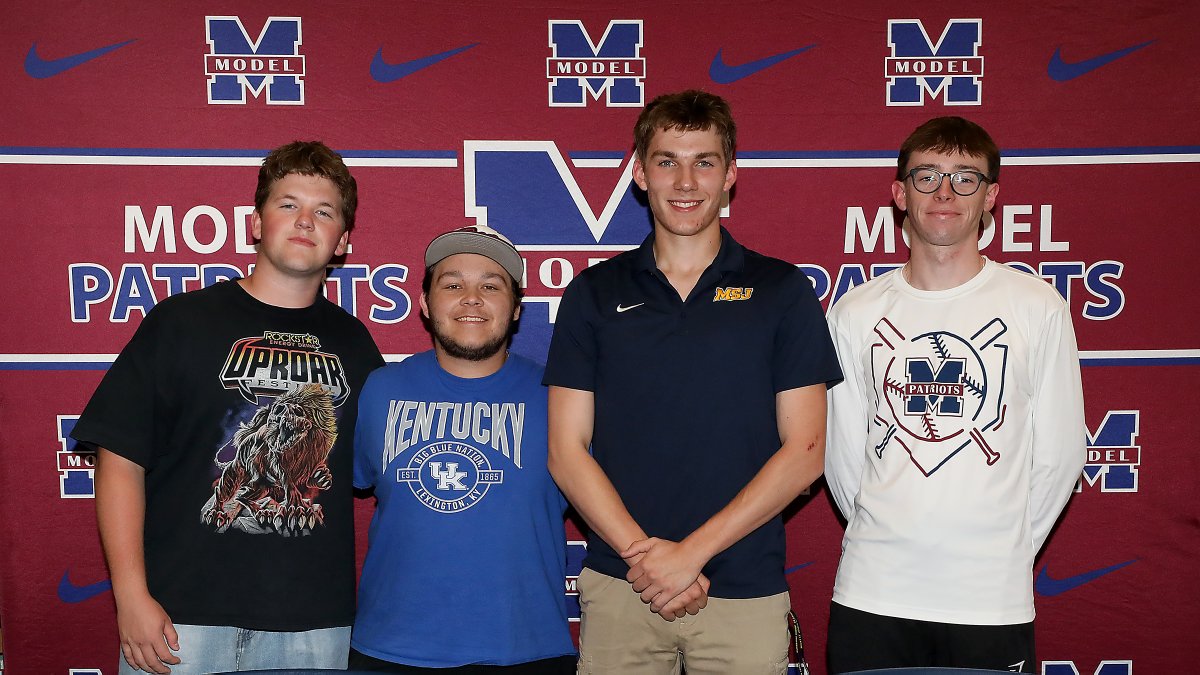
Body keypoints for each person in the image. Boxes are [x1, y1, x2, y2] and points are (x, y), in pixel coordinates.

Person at [543, 90, 842, 674]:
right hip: (624, 584)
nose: (685, 181)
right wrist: (650, 562)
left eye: (704, 161)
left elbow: (805, 452)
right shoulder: (594, 293)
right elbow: (565, 449)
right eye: (666, 161)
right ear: (639, 173)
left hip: (745, 590)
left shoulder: (781, 292)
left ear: (731, 175)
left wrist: (689, 557)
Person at [71, 141, 384, 674]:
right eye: (288, 204)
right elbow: (119, 458)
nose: (305, 220)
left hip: (312, 625)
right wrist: (131, 596)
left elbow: (380, 474)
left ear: (343, 241)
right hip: (179, 619)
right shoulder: (180, 323)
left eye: (324, 211)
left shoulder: (356, 344)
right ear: (257, 223)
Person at [824, 116, 1087, 674]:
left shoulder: (1036, 307)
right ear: (899, 193)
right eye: (927, 176)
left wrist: (1002, 551)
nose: (945, 192)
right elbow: (843, 461)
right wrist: (889, 531)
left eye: (965, 178)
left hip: (989, 600)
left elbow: (1061, 458)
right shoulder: (854, 314)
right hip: (874, 592)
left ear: (991, 196)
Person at [349, 225, 576, 673]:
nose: (471, 298)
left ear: (515, 309)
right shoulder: (381, 389)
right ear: (424, 303)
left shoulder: (559, 397)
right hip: (392, 648)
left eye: (491, 286)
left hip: (527, 647)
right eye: (452, 284)